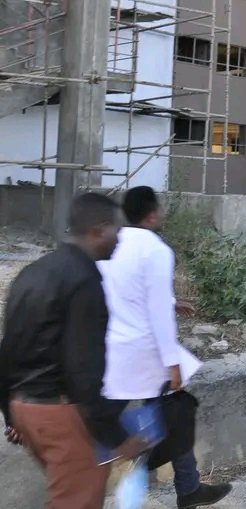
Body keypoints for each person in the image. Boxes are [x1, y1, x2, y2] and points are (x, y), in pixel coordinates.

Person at [0, 192, 146, 509]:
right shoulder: (85, 281)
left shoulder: (32, 273)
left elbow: (8, 349)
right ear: (99, 230)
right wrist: (117, 437)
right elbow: (83, 373)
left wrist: (11, 414)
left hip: (26, 410)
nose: (120, 240)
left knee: (66, 497)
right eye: (117, 232)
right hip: (61, 413)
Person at [98, 186, 232, 509]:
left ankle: (187, 488)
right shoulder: (157, 250)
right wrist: (173, 363)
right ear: (152, 214)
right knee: (175, 420)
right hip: (147, 355)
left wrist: (173, 301)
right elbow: (156, 310)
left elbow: (125, 292)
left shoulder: (108, 243)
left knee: (106, 427)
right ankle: (176, 487)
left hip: (109, 352)